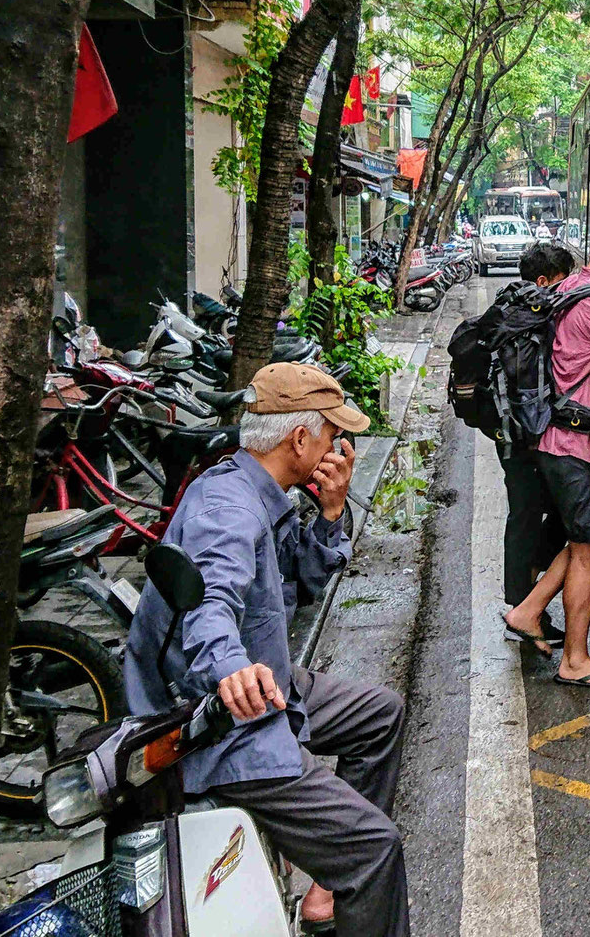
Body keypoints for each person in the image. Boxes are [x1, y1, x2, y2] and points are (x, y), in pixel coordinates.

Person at [123, 363, 409, 937]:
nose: (339, 446)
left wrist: (331, 515)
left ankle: (326, 887)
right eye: (331, 434)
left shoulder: (259, 488)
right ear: (299, 439)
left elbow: (296, 589)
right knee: (376, 849)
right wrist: (231, 669)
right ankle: (347, 866)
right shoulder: (229, 510)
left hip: (272, 681)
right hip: (218, 723)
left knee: (380, 715)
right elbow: (211, 602)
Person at [502, 212, 590, 688]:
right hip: (577, 448)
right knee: (588, 549)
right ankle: (575, 660)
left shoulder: (573, 287)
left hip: (565, 444)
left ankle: (528, 609)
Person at [498, 242, 577, 653]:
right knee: (534, 517)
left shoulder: (510, 309)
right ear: (544, 281)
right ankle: (523, 609)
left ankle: (528, 607)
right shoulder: (532, 314)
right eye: (565, 281)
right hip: (523, 436)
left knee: (528, 516)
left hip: (508, 435)